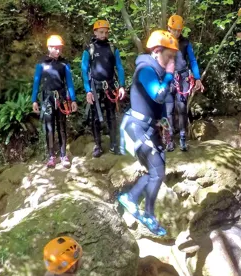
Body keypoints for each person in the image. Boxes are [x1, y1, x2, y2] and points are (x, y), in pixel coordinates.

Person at [117, 30, 178, 237]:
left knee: (157, 171)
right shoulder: (145, 69)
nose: (172, 61)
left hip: (150, 128)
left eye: (173, 58)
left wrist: (164, 124)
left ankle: (132, 199)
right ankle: (145, 211)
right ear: (156, 51)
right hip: (135, 127)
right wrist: (169, 74)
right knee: (157, 171)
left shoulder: (158, 72)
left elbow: (158, 107)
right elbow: (159, 96)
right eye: (169, 57)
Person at [32, 35, 78, 169]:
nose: (58, 51)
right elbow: (36, 83)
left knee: (62, 127)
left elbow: (69, 83)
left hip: (61, 98)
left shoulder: (64, 64)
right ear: (49, 48)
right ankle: (51, 155)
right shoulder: (41, 64)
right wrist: (34, 100)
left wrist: (73, 99)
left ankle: (63, 155)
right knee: (49, 128)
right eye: (55, 48)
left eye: (60, 49)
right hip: (47, 99)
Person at [81, 19, 126, 158]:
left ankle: (113, 145)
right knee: (95, 117)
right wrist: (88, 90)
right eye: (101, 32)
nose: (103, 35)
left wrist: (122, 86)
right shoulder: (89, 49)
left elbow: (119, 67)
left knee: (112, 116)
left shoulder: (112, 48)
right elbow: (84, 69)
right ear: (95, 32)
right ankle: (98, 145)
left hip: (110, 86)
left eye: (106, 32)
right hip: (95, 87)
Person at [164, 14, 205, 152]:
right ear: (168, 28)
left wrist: (197, 77)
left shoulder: (185, 43)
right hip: (168, 79)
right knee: (168, 110)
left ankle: (182, 138)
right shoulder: (163, 42)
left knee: (182, 108)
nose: (177, 32)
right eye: (174, 30)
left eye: (179, 30)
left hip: (183, 79)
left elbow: (192, 60)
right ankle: (169, 139)